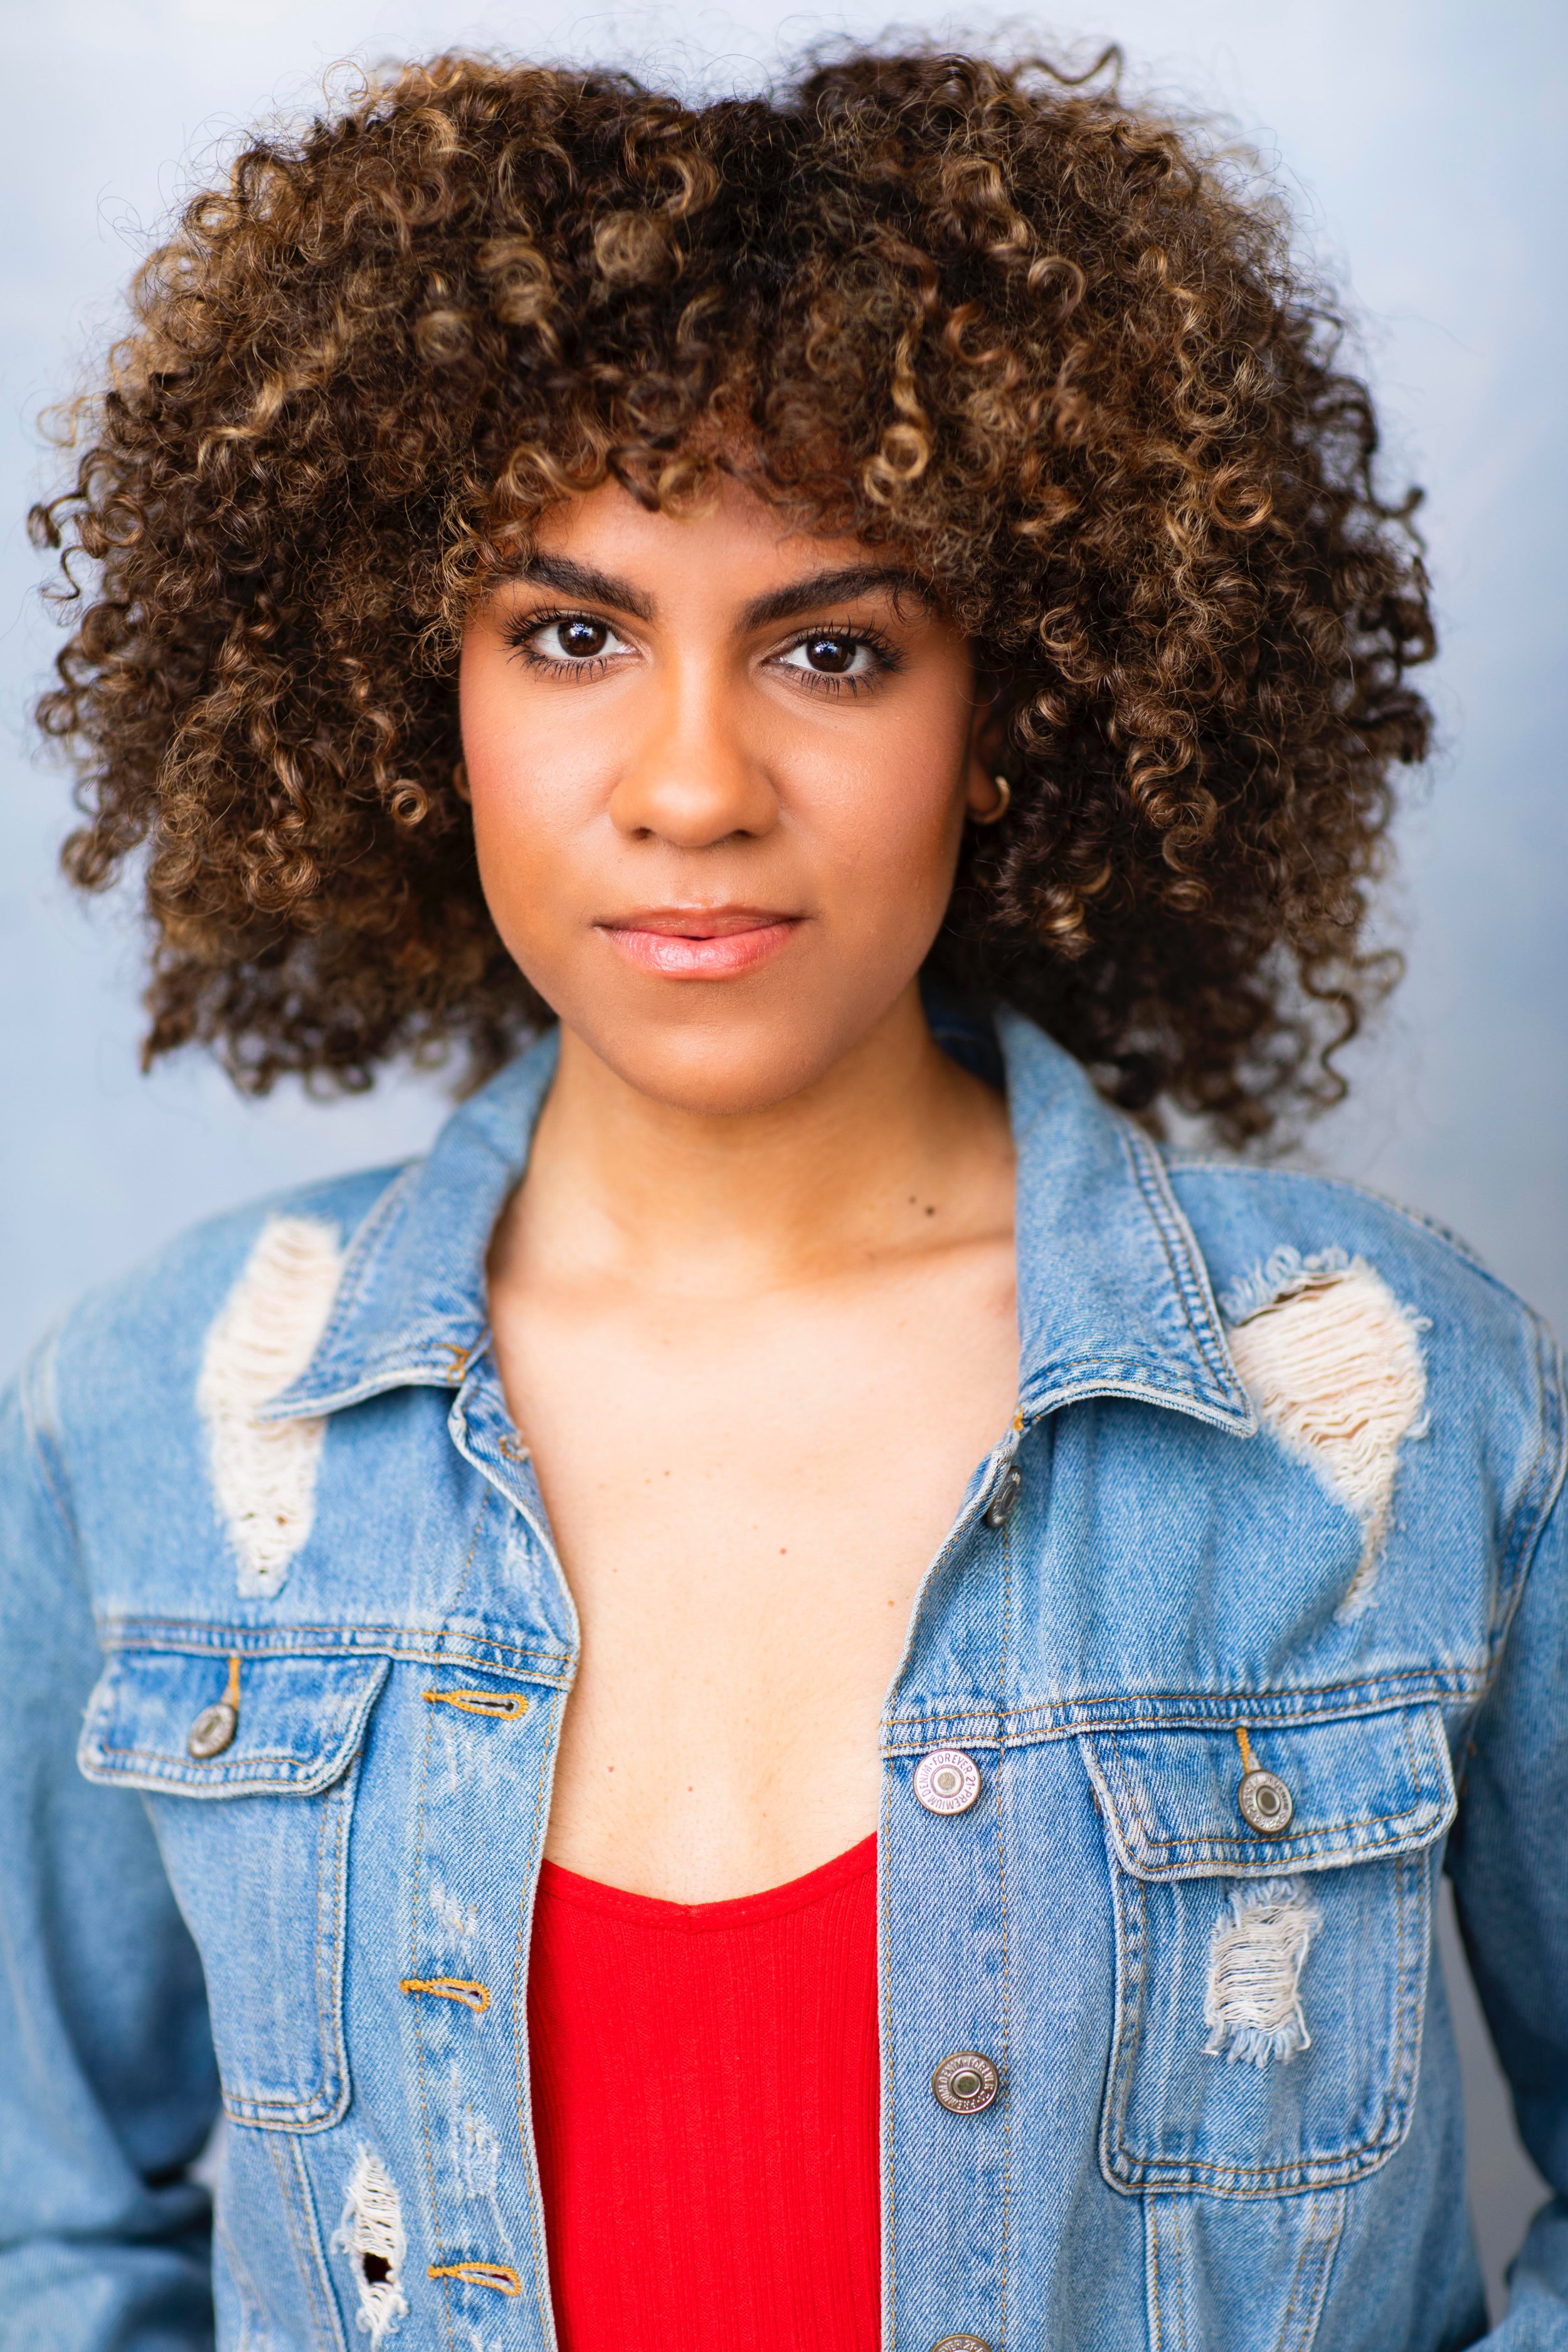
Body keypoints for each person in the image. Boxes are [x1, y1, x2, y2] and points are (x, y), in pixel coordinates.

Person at [3, 43, 1562, 2352]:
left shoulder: (1383, 1405)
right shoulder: (162, 1413)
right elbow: (52, 2233)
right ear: (394, 689)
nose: (696, 783)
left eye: (831, 648)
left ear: (1013, 700)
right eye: (570, 635)